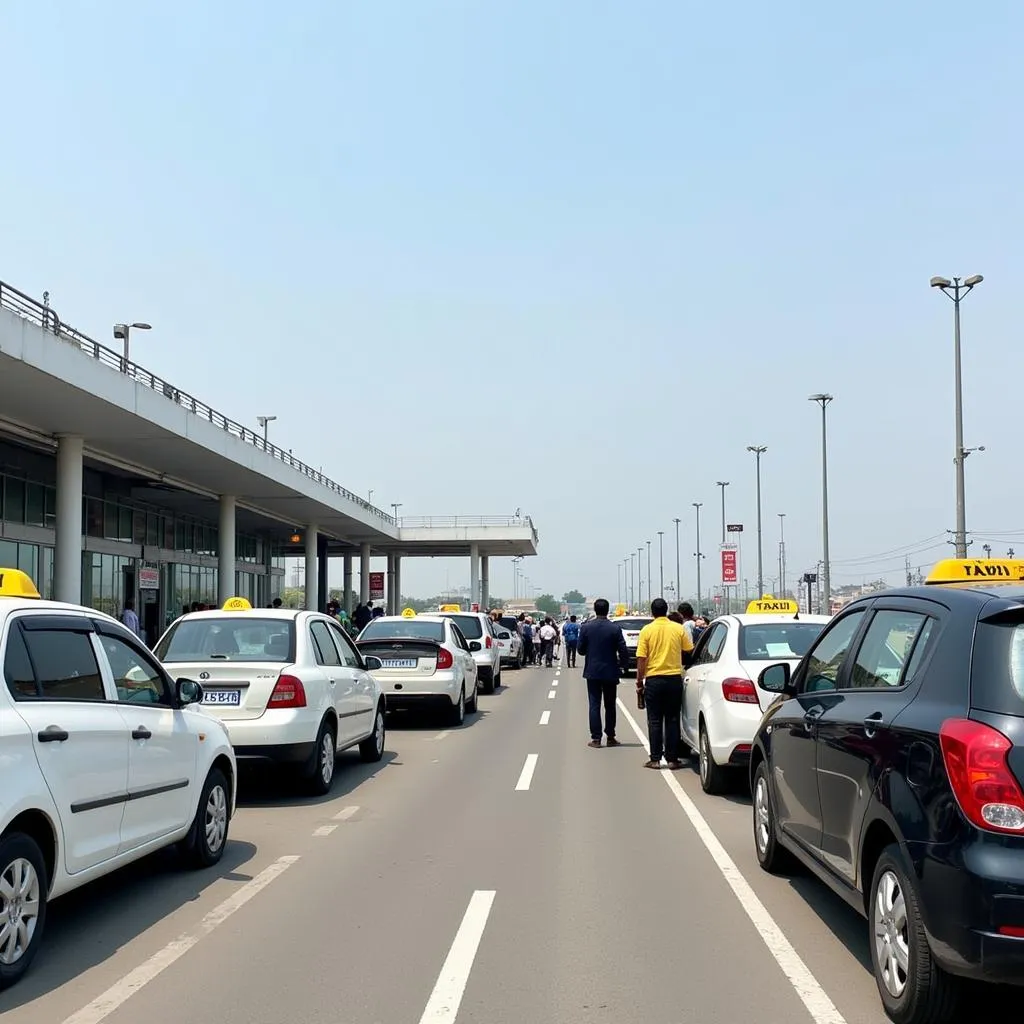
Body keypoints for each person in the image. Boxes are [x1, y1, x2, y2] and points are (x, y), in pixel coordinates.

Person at [636, 597, 694, 769]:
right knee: (672, 719)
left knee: (654, 720)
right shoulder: (678, 628)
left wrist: (639, 681)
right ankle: (672, 759)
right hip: (674, 679)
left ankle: (655, 759)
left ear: (653, 612)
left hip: (653, 679)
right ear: (666, 610)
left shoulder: (646, 630)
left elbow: (641, 659)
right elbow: (689, 651)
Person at [577, 598, 628, 747]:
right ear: (607, 610)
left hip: (592, 671)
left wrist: (591, 651)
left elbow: (580, 650)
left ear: (595, 609)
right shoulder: (614, 628)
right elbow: (623, 649)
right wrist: (623, 665)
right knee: (610, 705)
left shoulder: (586, 628)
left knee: (594, 704)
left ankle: (596, 738)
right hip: (611, 671)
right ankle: (610, 736)